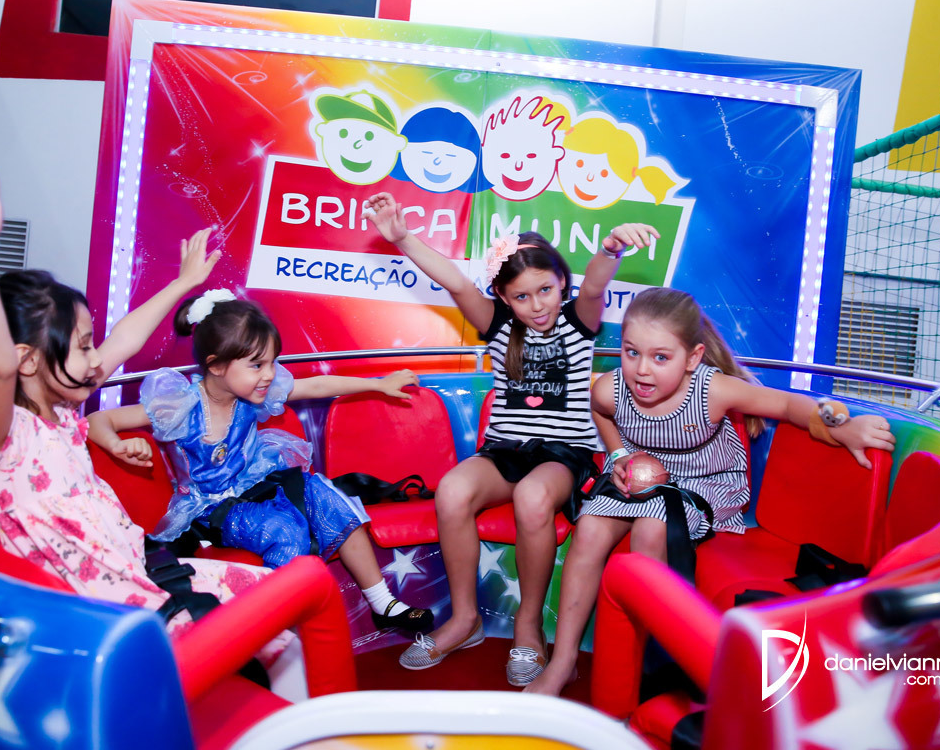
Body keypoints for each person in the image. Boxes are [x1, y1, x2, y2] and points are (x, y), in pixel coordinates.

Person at [0, 134, 304, 698]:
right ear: (27, 361)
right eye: (83, 345)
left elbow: (124, 339)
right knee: (269, 629)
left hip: (141, 570)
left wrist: (184, 284)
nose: (97, 358)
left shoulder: (64, 409)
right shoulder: (2, 436)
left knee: (281, 608)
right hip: (110, 613)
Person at [524, 287, 896, 696]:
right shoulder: (609, 390)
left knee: (652, 526)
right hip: (642, 476)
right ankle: (563, 662)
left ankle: (646, 666)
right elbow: (601, 412)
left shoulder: (711, 390)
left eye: (660, 357)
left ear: (693, 358)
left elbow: (788, 405)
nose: (642, 370)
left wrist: (844, 427)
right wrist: (618, 455)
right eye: (631, 352)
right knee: (590, 528)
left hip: (705, 483)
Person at [364, 190, 661, 686]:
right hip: (503, 451)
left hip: (563, 456)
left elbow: (594, 285)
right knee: (452, 490)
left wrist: (611, 248)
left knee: (533, 496)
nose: (537, 305)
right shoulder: (498, 324)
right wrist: (402, 239)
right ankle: (465, 620)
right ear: (504, 298)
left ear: (561, 283)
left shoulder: (578, 320)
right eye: (522, 296)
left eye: (545, 290)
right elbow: (455, 281)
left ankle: (528, 624)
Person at [86, 293, 435, 633]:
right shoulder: (181, 405)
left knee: (329, 496)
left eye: (271, 362)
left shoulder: (254, 394)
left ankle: (382, 602)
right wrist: (118, 444)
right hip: (213, 508)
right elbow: (98, 420)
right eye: (257, 365)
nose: (269, 374)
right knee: (285, 531)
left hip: (259, 482)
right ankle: (275, 629)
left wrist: (379, 385)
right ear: (216, 365)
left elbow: (316, 385)